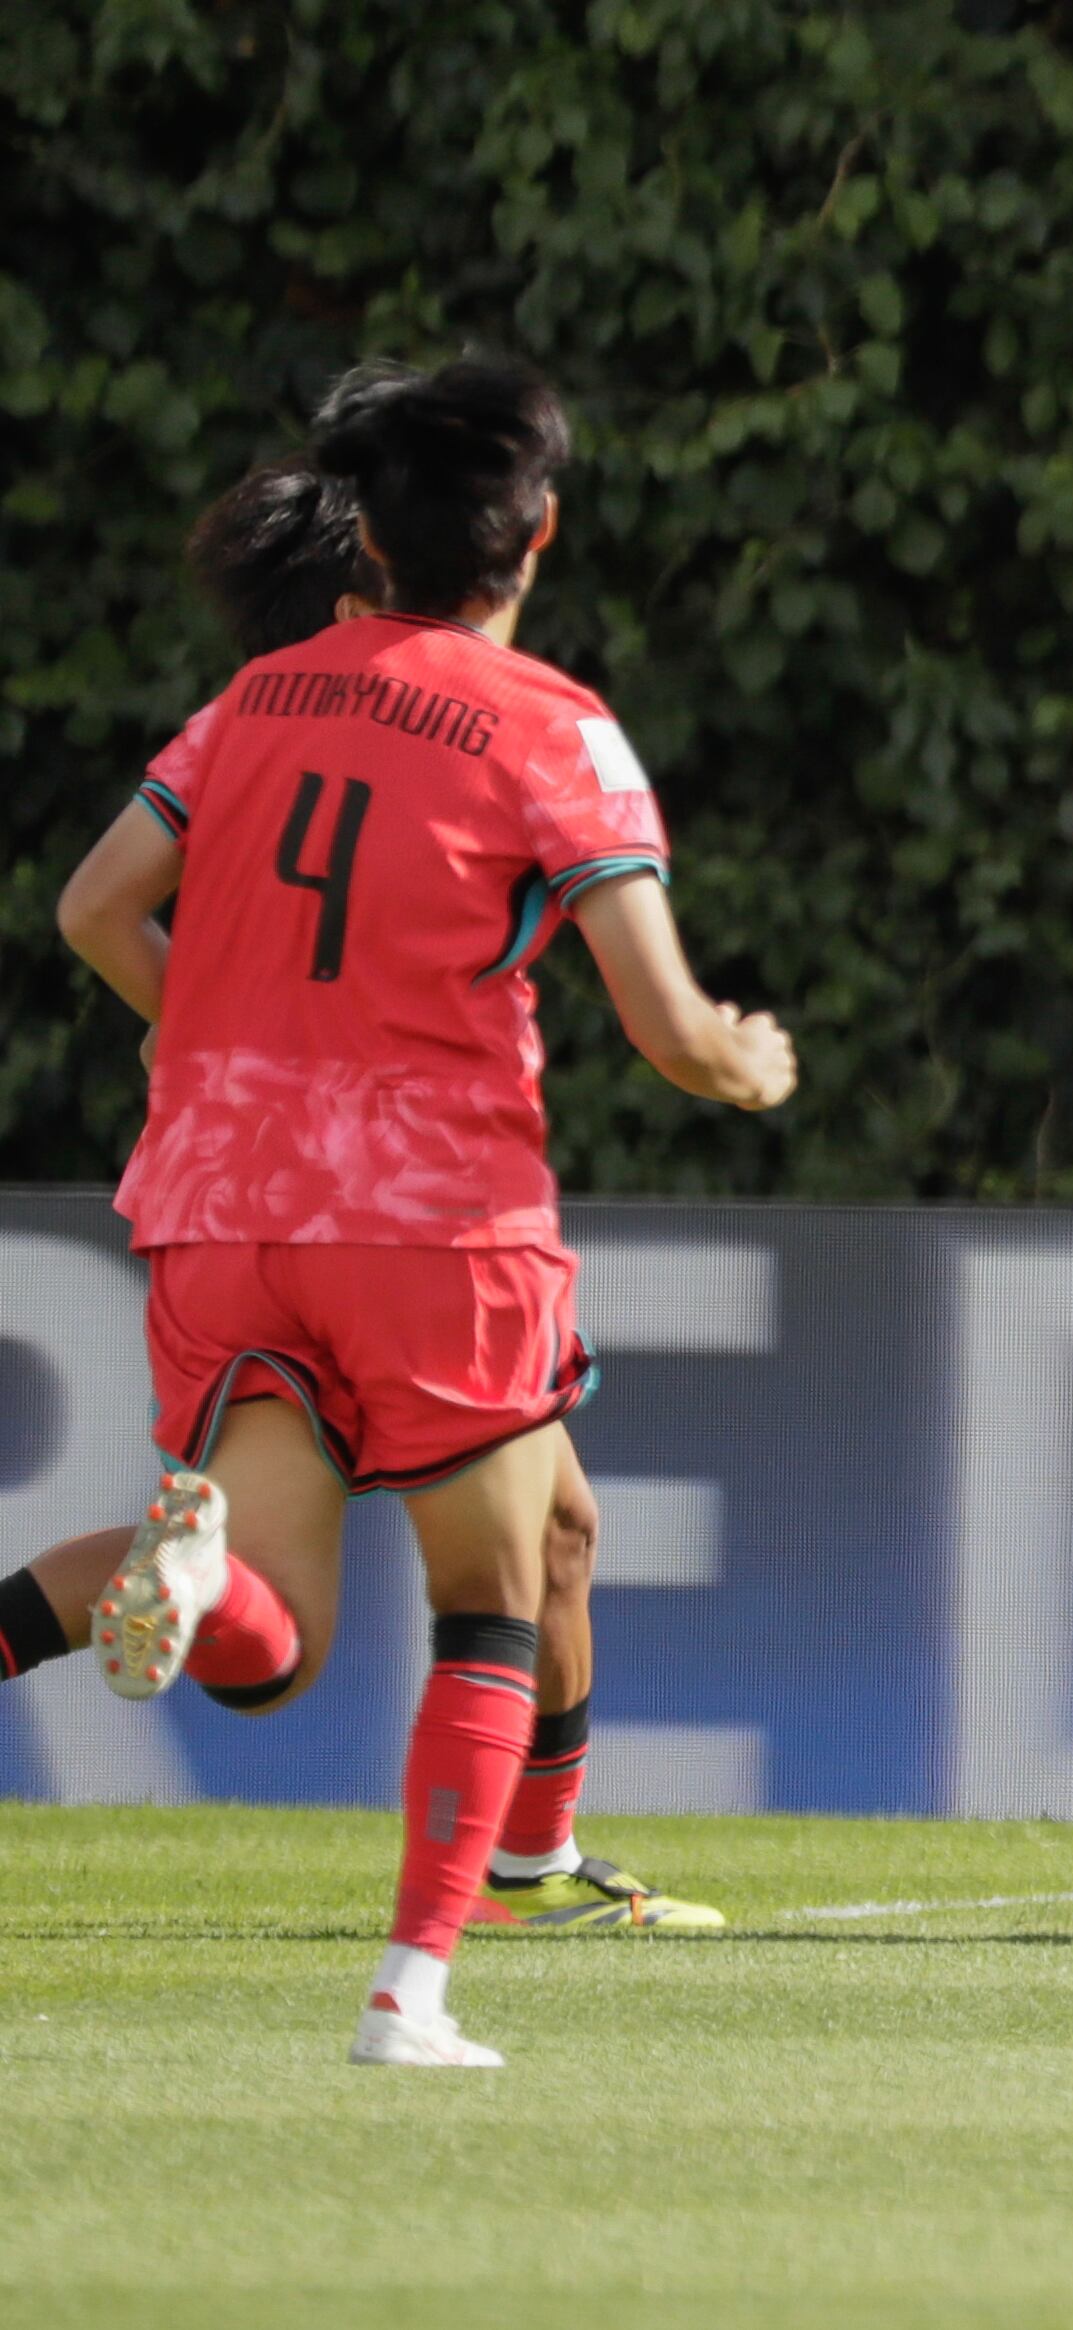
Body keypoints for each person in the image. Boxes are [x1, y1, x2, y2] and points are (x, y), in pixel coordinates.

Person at [56, 355, 795, 2065]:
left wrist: (237, 1040)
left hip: (219, 1207)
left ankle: (199, 1570)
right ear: (534, 538)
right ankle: (413, 1993)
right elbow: (672, 1032)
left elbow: (100, 907)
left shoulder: (254, 703)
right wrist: (746, 1065)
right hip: (433, 1217)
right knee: (489, 1600)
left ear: (366, 540)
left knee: (270, 1637)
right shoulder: (552, 727)